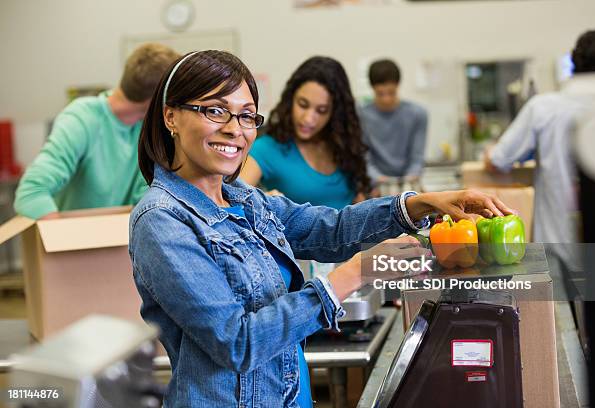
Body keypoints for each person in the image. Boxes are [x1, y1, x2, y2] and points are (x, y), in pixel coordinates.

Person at [130, 49, 514, 408]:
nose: (235, 129)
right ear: (170, 117)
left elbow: (330, 229)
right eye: (215, 111)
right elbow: (237, 342)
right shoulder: (162, 220)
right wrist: (356, 272)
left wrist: (420, 204)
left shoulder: (245, 199)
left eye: (247, 115)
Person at [484, 30, 595, 272]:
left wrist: (490, 151)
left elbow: (498, 159)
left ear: (574, 63)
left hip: (561, 253)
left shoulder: (544, 108)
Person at [14, 43, 180, 219]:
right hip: (76, 239)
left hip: (120, 241)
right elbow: (31, 193)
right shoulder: (82, 119)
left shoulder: (148, 130)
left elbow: (145, 199)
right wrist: (65, 240)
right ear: (157, 99)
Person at [240, 56, 370, 209]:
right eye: (303, 105)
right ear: (290, 100)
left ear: (335, 113)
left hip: (349, 232)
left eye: (321, 111)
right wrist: (259, 204)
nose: (308, 119)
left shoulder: (342, 146)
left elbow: (360, 207)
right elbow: (233, 203)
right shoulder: (266, 149)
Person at [359, 59, 428, 186]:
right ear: (372, 88)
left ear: (398, 86)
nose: (386, 99)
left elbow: (417, 157)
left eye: (391, 93)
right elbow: (364, 158)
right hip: (375, 186)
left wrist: (408, 181)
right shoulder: (361, 116)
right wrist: (378, 179)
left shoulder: (417, 114)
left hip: (408, 184)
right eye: (380, 94)